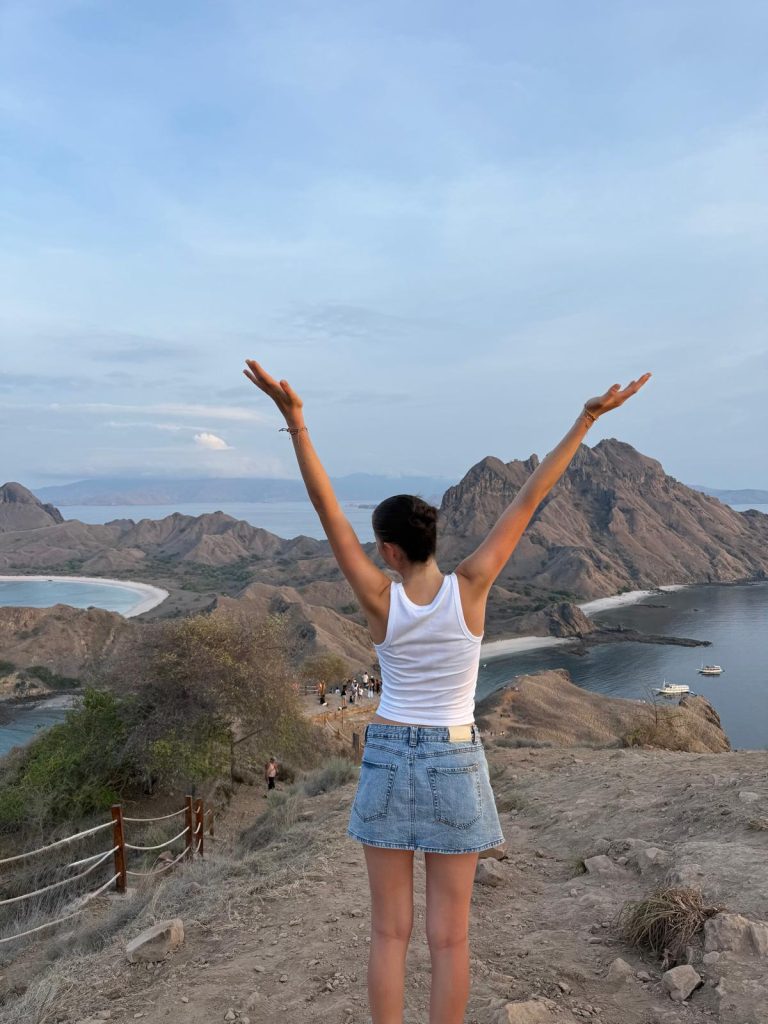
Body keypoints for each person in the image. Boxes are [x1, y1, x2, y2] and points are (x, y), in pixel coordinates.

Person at [244, 358, 650, 1024]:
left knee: (387, 934)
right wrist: (584, 419)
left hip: (388, 756)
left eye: (378, 546)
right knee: (451, 938)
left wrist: (296, 424)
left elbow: (326, 511)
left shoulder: (381, 600)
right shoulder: (472, 587)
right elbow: (528, 501)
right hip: (456, 759)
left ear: (390, 552)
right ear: (431, 541)